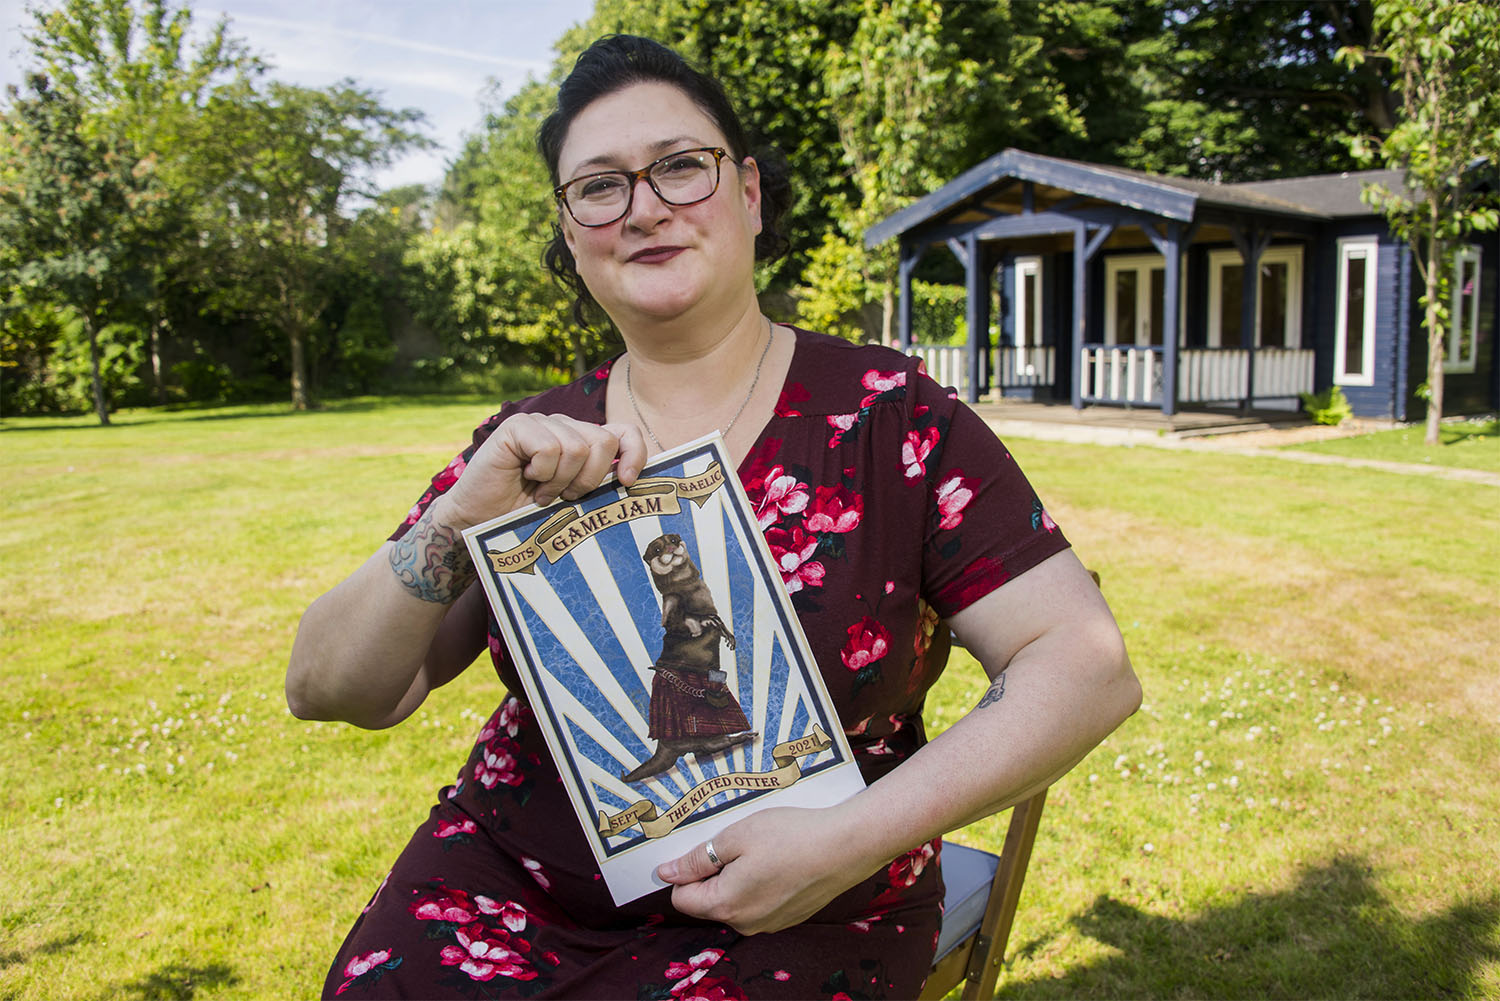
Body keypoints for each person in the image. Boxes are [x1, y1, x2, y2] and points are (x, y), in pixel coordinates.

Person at [286, 34, 1141, 1000]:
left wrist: (847, 840)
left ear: (749, 193)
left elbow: (1085, 663)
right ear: (571, 234)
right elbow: (333, 688)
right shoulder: (525, 444)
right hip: (510, 888)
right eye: (599, 188)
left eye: (680, 167)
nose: (644, 208)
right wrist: (460, 516)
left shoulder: (889, 415)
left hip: (810, 895)